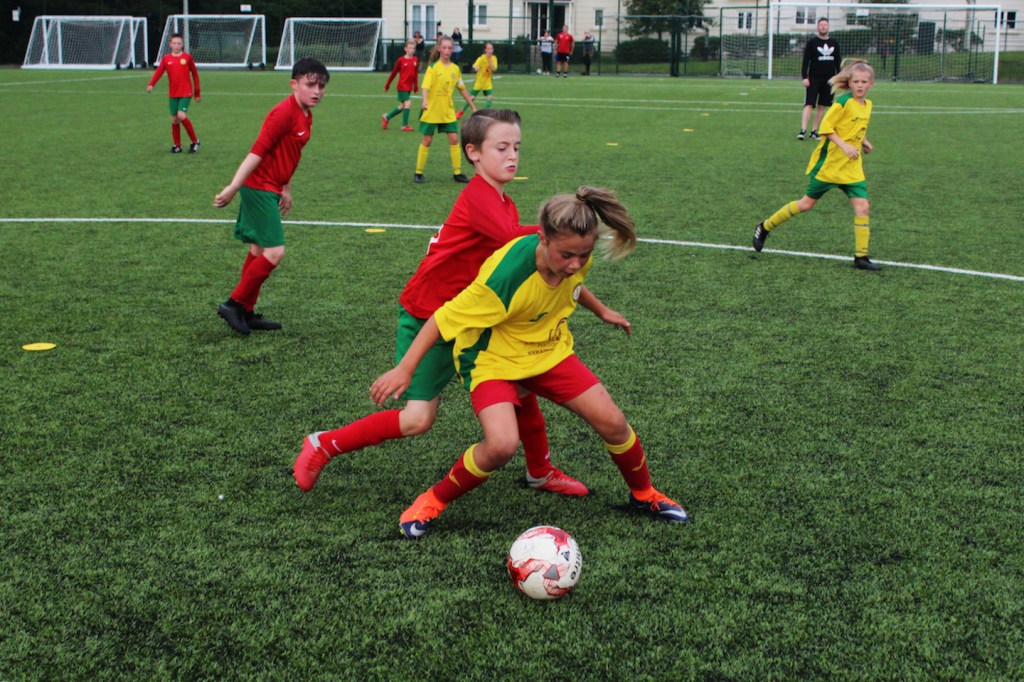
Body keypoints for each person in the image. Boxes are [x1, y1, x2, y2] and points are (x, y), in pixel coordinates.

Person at [294, 109, 589, 500]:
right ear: (473, 153)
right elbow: (513, 239)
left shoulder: (505, 201)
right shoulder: (477, 197)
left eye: (516, 147)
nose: (512, 155)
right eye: (501, 147)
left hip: (472, 318)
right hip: (428, 316)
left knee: (521, 391)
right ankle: (323, 443)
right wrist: (561, 229)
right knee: (417, 419)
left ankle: (540, 471)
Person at [370, 186, 690, 539]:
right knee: (501, 445)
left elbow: (573, 286)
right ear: (542, 239)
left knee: (613, 422)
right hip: (492, 359)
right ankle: (432, 500)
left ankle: (644, 496)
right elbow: (442, 319)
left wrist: (602, 311)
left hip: (547, 350)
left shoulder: (576, 258)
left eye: (583, 256)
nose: (575, 264)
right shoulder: (504, 279)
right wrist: (405, 368)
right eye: (567, 254)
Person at [212, 58, 331, 334]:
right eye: (310, 84)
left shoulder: (306, 114)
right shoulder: (283, 113)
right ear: (294, 84)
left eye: (321, 86)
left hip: (272, 186)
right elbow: (257, 151)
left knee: (257, 250)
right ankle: (234, 304)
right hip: (257, 186)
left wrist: (286, 188)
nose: (316, 91)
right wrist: (232, 187)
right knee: (275, 252)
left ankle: (248, 312)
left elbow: (290, 154)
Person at [753, 59, 879, 271]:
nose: (859, 85)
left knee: (862, 207)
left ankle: (861, 257)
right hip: (829, 165)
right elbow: (825, 129)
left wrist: (864, 141)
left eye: (864, 82)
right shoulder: (841, 103)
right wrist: (845, 146)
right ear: (849, 83)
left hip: (852, 168)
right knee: (805, 204)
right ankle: (764, 227)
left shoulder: (868, 105)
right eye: (856, 81)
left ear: (871, 84)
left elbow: (857, 126)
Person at [414, 36, 476, 184]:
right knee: (427, 140)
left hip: (447, 111)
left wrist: (473, 106)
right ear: (439, 49)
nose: (447, 51)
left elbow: (462, 88)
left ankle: (457, 173)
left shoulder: (455, 69)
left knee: (454, 139)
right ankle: (418, 172)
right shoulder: (433, 68)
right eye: (444, 48)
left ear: (453, 50)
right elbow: (425, 87)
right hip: (432, 109)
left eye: (450, 48)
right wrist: (424, 100)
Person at [147, 33, 201, 153]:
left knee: (181, 116)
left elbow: (195, 74)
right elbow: (159, 72)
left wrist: (197, 92)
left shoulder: (187, 58)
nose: (177, 46)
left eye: (179, 43)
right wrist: (151, 84)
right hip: (173, 93)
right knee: (175, 119)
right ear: (170, 44)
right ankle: (177, 146)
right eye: (175, 43)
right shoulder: (166, 59)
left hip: (185, 92)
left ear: (182, 45)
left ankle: (195, 141)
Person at [799, 17, 841, 141]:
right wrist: (804, 77)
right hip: (814, 79)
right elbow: (806, 61)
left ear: (828, 27)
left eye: (825, 25)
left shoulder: (834, 43)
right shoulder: (812, 43)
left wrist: (839, 77)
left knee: (822, 105)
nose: (823, 27)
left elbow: (837, 62)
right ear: (818, 27)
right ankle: (802, 131)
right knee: (809, 104)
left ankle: (814, 131)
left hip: (829, 80)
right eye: (821, 25)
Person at [383, 38, 419, 132]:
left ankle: (387, 117)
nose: (411, 50)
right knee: (408, 103)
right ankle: (404, 125)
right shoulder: (401, 60)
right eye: (410, 48)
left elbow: (415, 74)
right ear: (405, 49)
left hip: (409, 87)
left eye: (413, 48)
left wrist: (415, 86)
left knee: (402, 106)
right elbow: (394, 73)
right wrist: (387, 85)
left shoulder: (415, 60)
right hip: (402, 86)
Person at [458, 42, 496, 119]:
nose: (490, 50)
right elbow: (475, 65)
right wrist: (476, 68)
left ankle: (484, 114)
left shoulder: (494, 58)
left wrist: (490, 60)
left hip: (487, 82)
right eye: (488, 48)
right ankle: (460, 112)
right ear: (485, 50)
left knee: (490, 97)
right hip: (479, 82)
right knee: (471, 98)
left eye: (491, 48)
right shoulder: (481, 58)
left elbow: (494, 69)